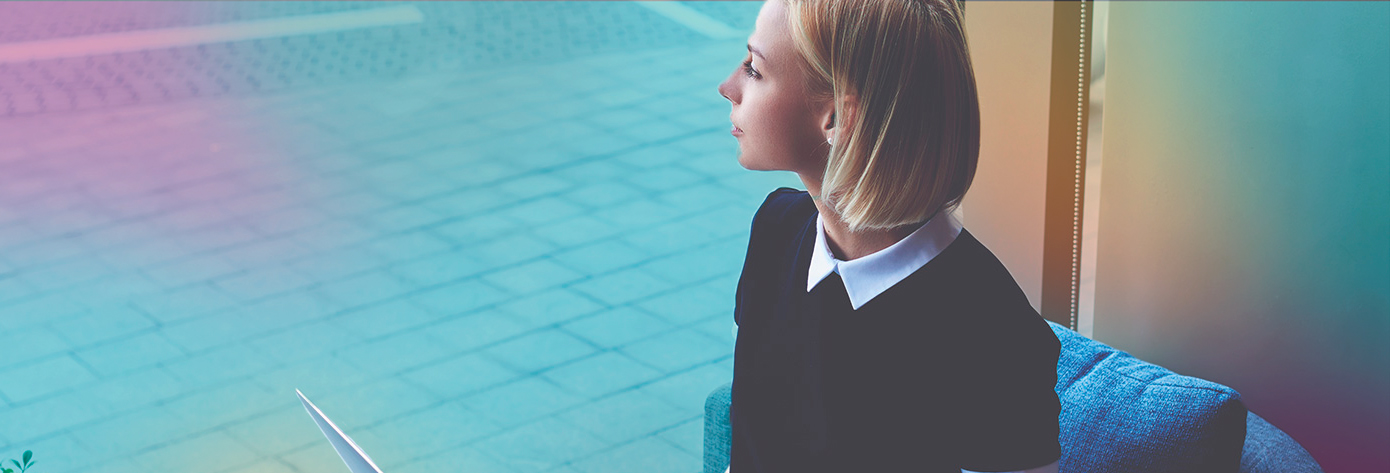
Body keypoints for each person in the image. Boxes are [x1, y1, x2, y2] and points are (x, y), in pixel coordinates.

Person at [716, 0, 1062, 472]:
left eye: (754, 70)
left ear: (837, 118)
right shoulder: (775, 228)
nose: (727, 87)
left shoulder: (993, 331)